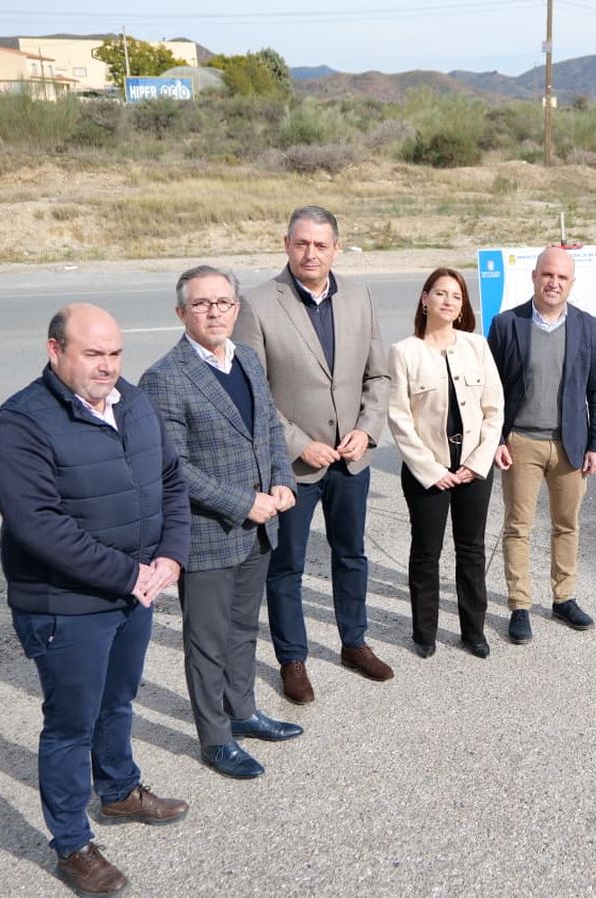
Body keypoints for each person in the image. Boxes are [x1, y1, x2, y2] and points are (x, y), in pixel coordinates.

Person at [0, 303, 191, 897]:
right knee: (70, 726)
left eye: (115, 353)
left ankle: (119, 790)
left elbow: (170, 481)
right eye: (93, 354)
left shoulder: (134, 402)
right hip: (66, 605)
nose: (108, 366)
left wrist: (171, 555)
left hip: (134, 593)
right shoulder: (20, 424)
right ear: (55, 351)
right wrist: (130, 574)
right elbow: (40, 527)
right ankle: (71, 843)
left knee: (118, 700)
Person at [139, 266, 303, 781]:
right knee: (207, 641)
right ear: (181, 312)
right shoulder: (165, 377)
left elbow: (269, 429)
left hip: (260, 526)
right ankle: (215, 738)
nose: (214, 312)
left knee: (243, 629)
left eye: (224, 302)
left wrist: (283, 481)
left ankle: (243, 710)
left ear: (236, 308)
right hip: (210, 533)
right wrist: (243, 502)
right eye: (202, 303)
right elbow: (173, 467)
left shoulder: (246, 358)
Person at [232, 205, 393, 696]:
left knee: (352, 556)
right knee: (287, 567)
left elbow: (378, 376)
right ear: (286, 244)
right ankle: (292, 659)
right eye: (302, 243)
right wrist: (301, 444)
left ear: (336, 249)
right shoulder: (258, 304)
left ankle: (354, 642)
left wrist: (366, 431)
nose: (311, 253)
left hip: (351, 458)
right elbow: (253, 392)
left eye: (321, 245)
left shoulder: (359, 296)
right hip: (293, 467)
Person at [488, 246, 596, 645]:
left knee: (566, 524)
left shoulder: (587, 326)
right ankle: (519, 605)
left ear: (571, 282)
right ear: (534, 277)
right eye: (547, 275)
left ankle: (564, 598)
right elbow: (491, 390)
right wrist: (495, 440)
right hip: (521, 443)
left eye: (561, 277)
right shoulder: (507, 324)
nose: (553, 283)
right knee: (517, 527)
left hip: (570, 446)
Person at [387, 268, 504, 658]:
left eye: (456, 295)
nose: (448, 301)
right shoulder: (405, 352)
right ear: (425, 299)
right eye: (440, 293)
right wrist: (431, 470)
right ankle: (425, 633)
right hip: (428, 472)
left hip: (473, 468)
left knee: (471, 550)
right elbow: (399, 418)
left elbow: (494, 409)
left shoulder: (476, 346)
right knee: (426, 552)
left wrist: (477, 462)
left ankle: (474, 631)